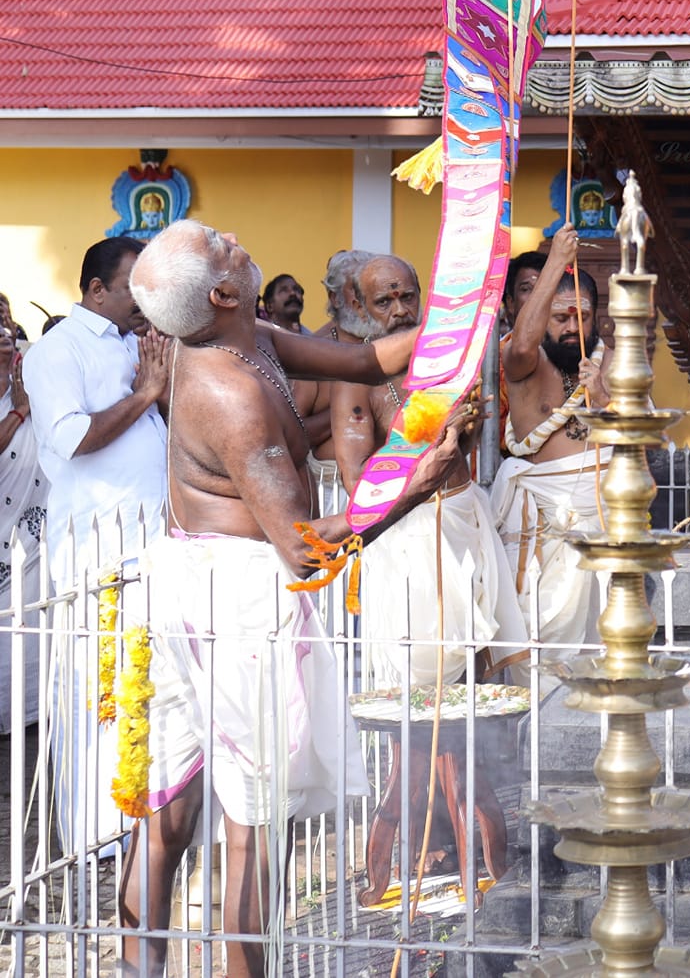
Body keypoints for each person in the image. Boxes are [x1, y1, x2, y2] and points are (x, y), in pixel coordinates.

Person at [122, 220, 469, 978]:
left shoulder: (247, 336)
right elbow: (306, 547)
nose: (238, 236)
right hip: (235, 599)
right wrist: (413, 487)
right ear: (222, 292)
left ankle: (138, 965)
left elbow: (363, 359)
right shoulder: (231, 391)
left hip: (199, 582)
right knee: (248, 820)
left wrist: (461, 314)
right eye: (220, 243)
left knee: (172, 808)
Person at [331, 255, 525, 692]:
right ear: (361, 309)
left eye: (407, 297)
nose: (399, 310)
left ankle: (477, 760)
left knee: (474, 670)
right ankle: (424, 764)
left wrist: (467, 431)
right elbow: (357, 481)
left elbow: (460, 454)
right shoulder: (356, 379)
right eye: (384, 301)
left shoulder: (447, 363)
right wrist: (437, 440)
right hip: (410, 535)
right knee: (424, 683)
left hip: (464, 517)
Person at [490, 231, 609, 683]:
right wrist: (556, 261)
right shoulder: (524, 362)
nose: (572, 327)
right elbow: (521, 345)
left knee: (602, 641)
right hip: (544, 525)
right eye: (560, 315)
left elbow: (643, 442)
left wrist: (603, 399)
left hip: (600, 519)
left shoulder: (609, 362)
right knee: (540, 630)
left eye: (583, 316)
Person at [22, 237, 169, 580]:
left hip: (153, 536)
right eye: (135, 287)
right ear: (98, 289)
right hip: (99, 544)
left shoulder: (135, 342)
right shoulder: (58, 348)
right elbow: (71, 438)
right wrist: (144, 395)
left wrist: (159, 395)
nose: (146, 299)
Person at [299, 250, 375, 514]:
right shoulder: (314, 352)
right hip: (332, 496)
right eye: (355, 288)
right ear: (334, 297)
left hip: (389, 490)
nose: (364, 297)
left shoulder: (389, 344)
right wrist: (348, 411)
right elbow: (293, 435)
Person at [0, 315, 46, 728]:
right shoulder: (21, 398)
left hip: (28, 538)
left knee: (24, 623)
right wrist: (18, 412)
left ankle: (22, 716)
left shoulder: (33, 374)